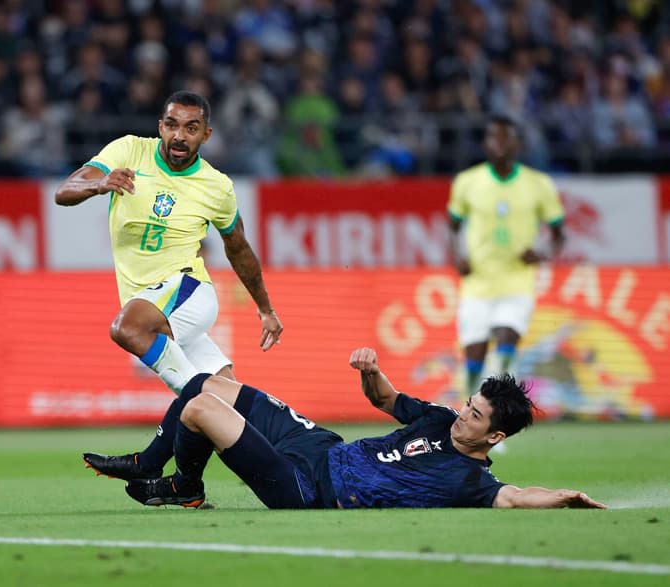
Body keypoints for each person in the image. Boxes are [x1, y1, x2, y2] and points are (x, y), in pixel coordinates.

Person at [57, 91, 282, 477]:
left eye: (191, 128)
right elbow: (64, 192)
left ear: (206, 135)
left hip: (188, 291)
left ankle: (151, 460)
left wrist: (266, 309)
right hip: (154, 304)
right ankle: (267, 467)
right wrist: (100, 184)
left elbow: (239, 248)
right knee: (226, 397)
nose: (180, 135)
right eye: (172, 125)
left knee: (127, 328)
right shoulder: (129, 151)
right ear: (160, 126)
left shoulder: (216, 186)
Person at [85, 347, 604, 510]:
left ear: (495, 437)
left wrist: (564, 497)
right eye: (468, 404)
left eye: (474, 415)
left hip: (306, 489)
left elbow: (516, 497)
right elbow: (384, 399)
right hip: (321, 447)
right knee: (206, 382)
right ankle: (159, 468)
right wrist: (371, 370)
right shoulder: (439, 417)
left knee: (201, 408)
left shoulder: (471, 481)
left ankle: (183, 485)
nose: (462, 414)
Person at [447, 113, 565, 395]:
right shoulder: (467, 182)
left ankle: (500, 409)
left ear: (517, 144)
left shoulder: (539, 184)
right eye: (493, 136)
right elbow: (452, 227)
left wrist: (541, 253)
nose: (499, 142)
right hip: (478, 282)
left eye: (505, 137)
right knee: (474, 355)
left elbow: (559, 234)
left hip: (517, 281)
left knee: (506, 337)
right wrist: (457, 257)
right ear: (485, 143)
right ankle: (471, 406)